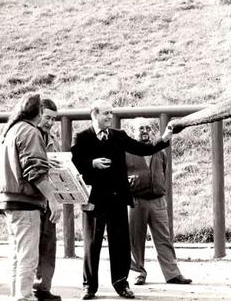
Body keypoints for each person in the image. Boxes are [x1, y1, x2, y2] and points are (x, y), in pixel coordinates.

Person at [71, 100, 173, 300]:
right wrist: (91, 163)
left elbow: (142, 149)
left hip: (118, 198)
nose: (109, 116)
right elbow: (74, 163)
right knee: (92, 244)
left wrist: (164, 138)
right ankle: (89, 286)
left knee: (120, 244)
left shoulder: (119, 136)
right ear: (94, 115)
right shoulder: (82, 137)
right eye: (105, 113)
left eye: (111, 113)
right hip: (94, 199)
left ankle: (121, 284)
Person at [0, 93, 62, 301]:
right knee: (27, 257)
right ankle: (23, 297)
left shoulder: (10, 130)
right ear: (38, 112)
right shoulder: (30, 132)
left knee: (17, 255)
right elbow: (35, 170)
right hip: (26, 202)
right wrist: (53, 199)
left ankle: (18, 295)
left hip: (8, 199)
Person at [126, 118, 192, 286]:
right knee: (135, 239)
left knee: (164, 238)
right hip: (135, 201)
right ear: (133, 131)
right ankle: (138, 273)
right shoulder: (126, 151)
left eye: (148, 128)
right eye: (141, 128)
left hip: (157, 200)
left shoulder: (159, 151)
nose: (145, 131)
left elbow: (163, 171)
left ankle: (173, 274)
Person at [32, 99, 62, 301]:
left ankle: (44, 287)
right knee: (30, 246)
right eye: (47, 117)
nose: (50, 122)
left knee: (49, 244)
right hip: (31, 198)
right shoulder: (28, 134)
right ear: (38, 114)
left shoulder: (53, 138)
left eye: (54, 119)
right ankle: (28, 288)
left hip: (49, 198)